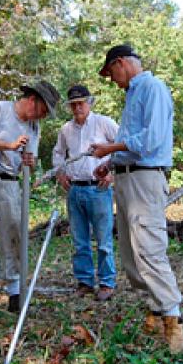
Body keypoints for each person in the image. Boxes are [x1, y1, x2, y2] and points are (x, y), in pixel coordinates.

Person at [91, 45, 183, 354]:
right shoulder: (132, 95)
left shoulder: (153, 88)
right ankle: (155, 310)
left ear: (121, 63)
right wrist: (112, 161)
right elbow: (131, 143)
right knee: (131, 254)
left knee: (149, 248)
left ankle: (174, 319)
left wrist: (110, 148)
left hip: (146, 179)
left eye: (111, 74)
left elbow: (151, 141)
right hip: (126, 178)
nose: (113, 81)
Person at [0, 80, 61, 320]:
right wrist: (9, 145)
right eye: (43, 110)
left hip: (10, 183)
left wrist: (29, 162)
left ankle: (15, 293)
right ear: (32, 100)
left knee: (14, 233)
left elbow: (30, 158)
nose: (43, 116)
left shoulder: (34, 127)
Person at [52, 85, 119, 301]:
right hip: (75, 189)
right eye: (73, 104)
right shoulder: (66, 130)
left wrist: (113, 174)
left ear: (89, 103)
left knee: (103, 239)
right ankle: (85, 282)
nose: (77, 107)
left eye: (81, 103)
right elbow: (58, 153)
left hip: (98, 188)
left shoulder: (104, 123)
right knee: (79, 239)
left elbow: (122, 147)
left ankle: (107, 283)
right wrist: (60, 174)